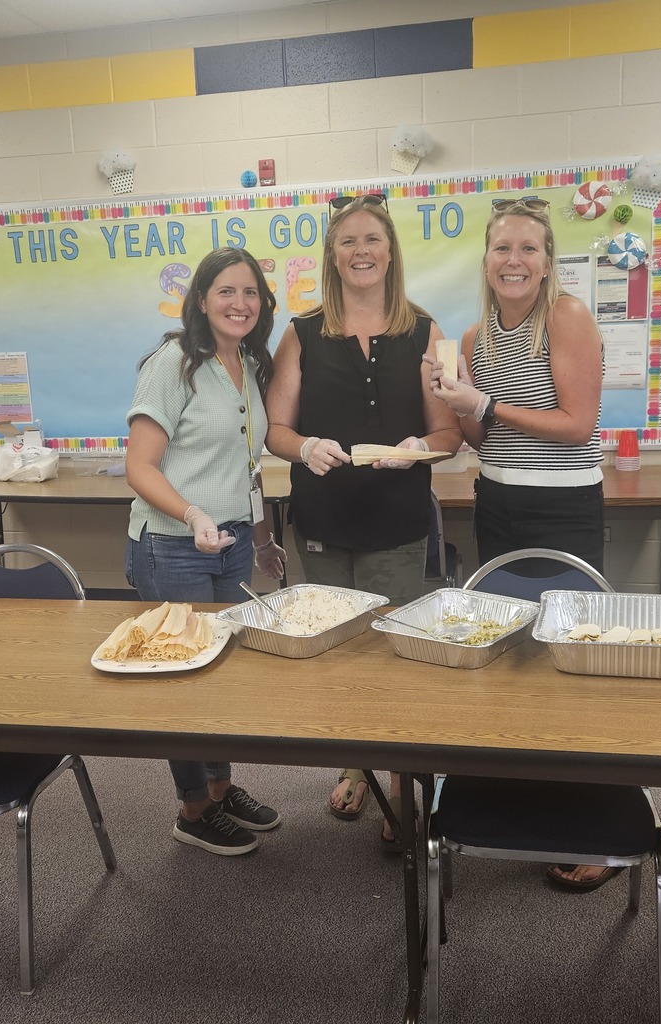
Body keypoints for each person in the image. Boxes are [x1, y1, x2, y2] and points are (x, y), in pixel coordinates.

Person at [265, 193, 462, 848]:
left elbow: (448, 433)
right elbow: (276, 429)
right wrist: (304, 448)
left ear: (390, 249)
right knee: (340, 654)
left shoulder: (425, 331)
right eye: (347, 240)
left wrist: (418, 451)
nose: (360, 251)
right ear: (331, 253)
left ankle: (404, 782)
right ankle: (356, 763)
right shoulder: (301, 332)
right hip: (322, 518)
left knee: (396, 656)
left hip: (398, 522)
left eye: (372, 238)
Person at [428, 196, 608, 889]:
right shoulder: (473, 340)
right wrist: (453, 400)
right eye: (503, 248)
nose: (515, 261)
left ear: (548, 260)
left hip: (562, 508)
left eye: (529, 248)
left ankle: (588, 818)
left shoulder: (564, 317)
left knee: (568, 659)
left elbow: (578, 423)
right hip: (496, 500)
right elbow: (480, 438)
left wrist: (487, 405)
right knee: (508, 650)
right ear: (486, 258)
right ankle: (520, 795)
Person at [125, 246, 286, 857]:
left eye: (250, 293)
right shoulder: (174, 363)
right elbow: (138, 467)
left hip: (231, 541)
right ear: (200, 299)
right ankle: (192, 809)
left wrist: (264, 539)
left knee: (220, 671)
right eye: (226, 291)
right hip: (174, 547)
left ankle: (220, 789)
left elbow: (244, 468)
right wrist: (190, 513)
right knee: (184, 679)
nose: (240, 303)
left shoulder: (248, 363)